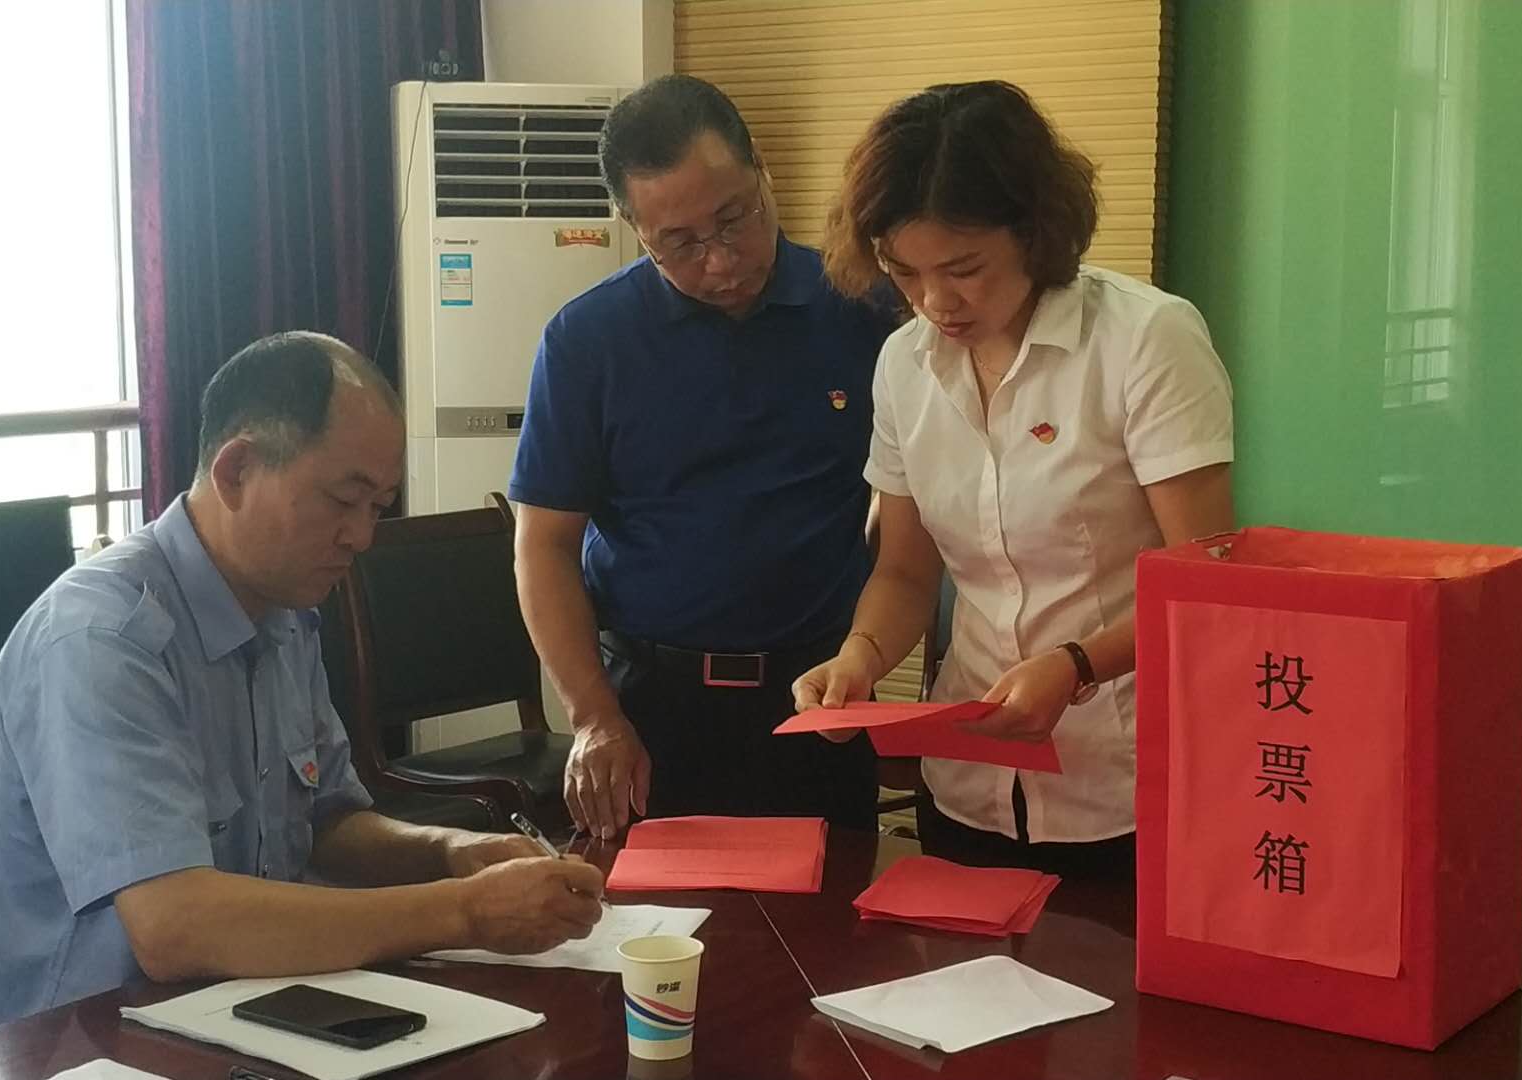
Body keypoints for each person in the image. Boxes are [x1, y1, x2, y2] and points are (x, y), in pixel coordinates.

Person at [0, 332, 604, 1029]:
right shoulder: (101, 638)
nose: (362, 537)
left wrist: (451, 854)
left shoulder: (286, 613)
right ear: (236, 470)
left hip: (244, 1010)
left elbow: (327, 824)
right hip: (85, 1042)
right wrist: (465, 912)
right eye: (343, 499)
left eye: (378, 507)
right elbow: (173, 925)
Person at [793, 81, 1236, 878]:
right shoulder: (904, 364)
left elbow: (1207, 583)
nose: (936, 301)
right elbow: (905, 571)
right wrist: (859, 657)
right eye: (905, 272)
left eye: (964, 268)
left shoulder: (1144, 340)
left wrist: (1076, 665)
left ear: (1034, 231)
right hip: (968, 777)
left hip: (1124, 780)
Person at [510, 74, 896, 840]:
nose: (720, 262)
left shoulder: (864, 307)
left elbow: (907, 512)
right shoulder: (588, 342)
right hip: (652, 707)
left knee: (838, 908)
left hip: (820, 695)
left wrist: (868, 649)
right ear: (634, 228)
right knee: (655, 914)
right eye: (680, 244)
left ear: (761, 169)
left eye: (734, 219)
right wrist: (593, 716)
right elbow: (544, 546)